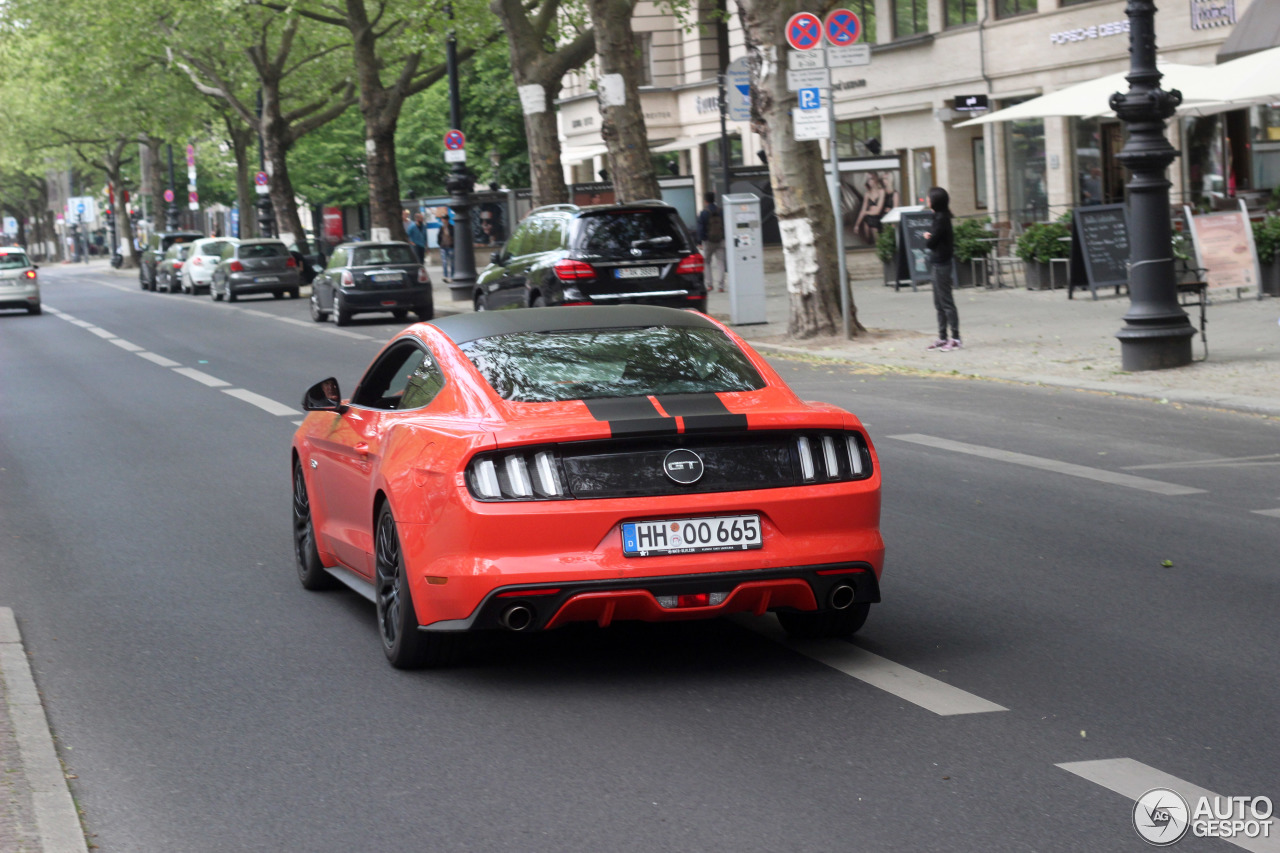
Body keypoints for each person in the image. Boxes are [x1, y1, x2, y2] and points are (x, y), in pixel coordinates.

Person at [922, 186, 961, 351]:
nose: (927, 200)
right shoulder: (938, 217)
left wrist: (928, 237)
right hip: (938, 263)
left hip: (942, 264)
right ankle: (942, 337)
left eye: (929, 198)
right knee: (938, 303)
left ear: (935, 201)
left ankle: (956, 338)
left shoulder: (941, 219)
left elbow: (932, 242)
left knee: (946, 302)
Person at [696, 191, 726, 292]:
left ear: (705, 201)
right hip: (721, 240)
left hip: (708, 241)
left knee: (707, 262)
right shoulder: (721, 211)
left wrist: (700, 241)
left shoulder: (704, 213)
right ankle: (721, 286)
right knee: (720, 262)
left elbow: (700, 228)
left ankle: (709, 285)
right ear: (714, 199)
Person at [437, 210, 454, 282]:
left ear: (448, 220)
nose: (444, 220)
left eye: (446, 219)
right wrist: (440, 243)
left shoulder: (451, 227)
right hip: (443, 247)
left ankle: (452, 276)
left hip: (450, 247)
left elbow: (454, 236)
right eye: (443, 219)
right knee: (444, 262)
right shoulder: (441, 228)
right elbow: (439, 237)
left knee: (452, 262)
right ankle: (445, 276)